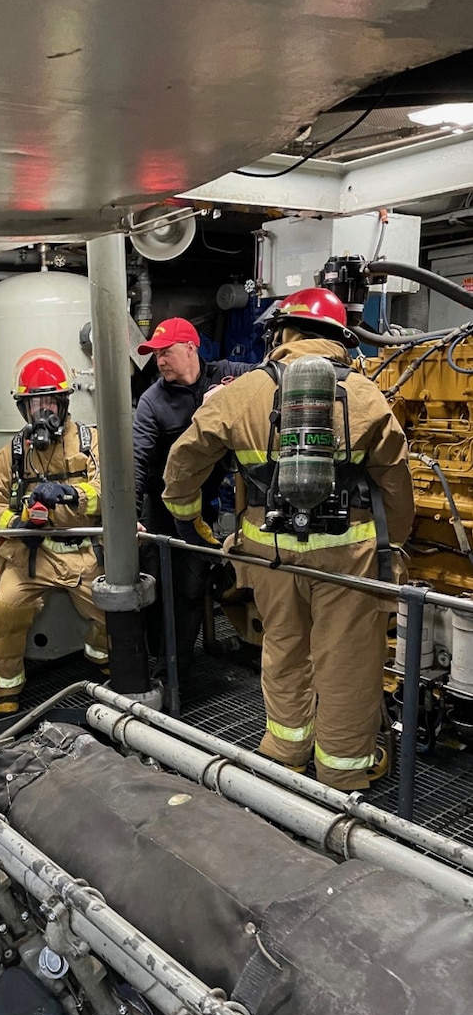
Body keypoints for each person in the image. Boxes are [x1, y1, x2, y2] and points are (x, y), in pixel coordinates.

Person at [162, 289, 415, 791]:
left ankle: (285, 752)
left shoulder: (242, 392)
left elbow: (183, 463)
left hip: (271, 558)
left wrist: (194, 521)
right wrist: (391, 547)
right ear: (340, 339)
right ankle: (341, 775)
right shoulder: (364, 396)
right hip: (347, 562)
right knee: (346, 662)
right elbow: (396, 484)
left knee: (282, 650)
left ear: (281, 334)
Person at [0, 349, 107, 714]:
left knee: (114, 611)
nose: (43, 412)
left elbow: (108, 490)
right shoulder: (14, 452)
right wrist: (16, 525)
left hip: (85, 553)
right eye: (36, 405)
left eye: (50, 402)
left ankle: (103, 657)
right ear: (24, 409)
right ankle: (4, 690)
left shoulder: (89, 442)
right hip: (32, 555)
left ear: (64, 403)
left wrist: (70, 494)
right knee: (3, 610)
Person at [133, 317, 253, 682]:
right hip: (162, 506)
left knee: (189, 589)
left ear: (191, 348)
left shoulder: (228, 373)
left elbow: (272, 375)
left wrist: (225, 397)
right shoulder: (153, 402)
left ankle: (177, 672)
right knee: (155, 587)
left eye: (166, 352)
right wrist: (129, 514)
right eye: (156, 355)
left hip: (205, 506)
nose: (160, 362)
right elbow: (137, 460)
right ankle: (157, 662)